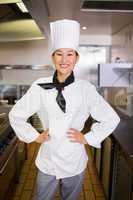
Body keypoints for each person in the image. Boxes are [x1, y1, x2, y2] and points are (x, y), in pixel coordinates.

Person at [9, 19, 120, 200]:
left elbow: (111, 119)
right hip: (48, 159)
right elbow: (16, 115)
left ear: (76, 58)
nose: (64, 60)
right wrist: (34, 136)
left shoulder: (85, 88)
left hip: (74, 160)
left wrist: (87, 137)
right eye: (59, 54)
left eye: (70, 54)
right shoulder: (39, 86)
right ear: (53, 57)